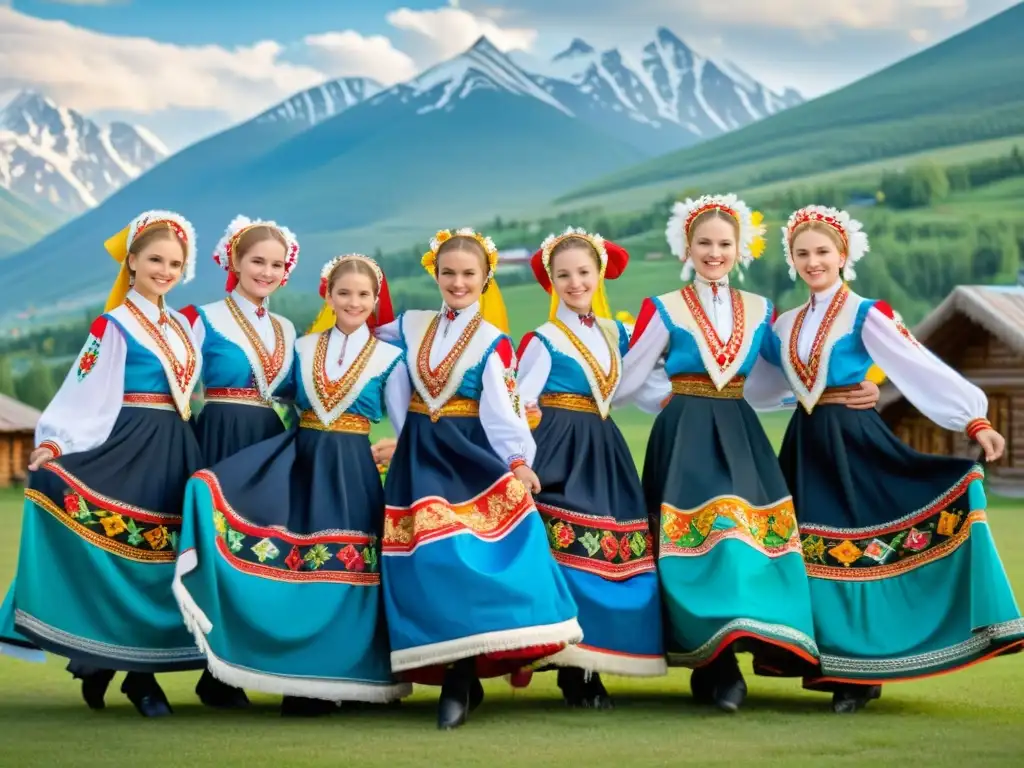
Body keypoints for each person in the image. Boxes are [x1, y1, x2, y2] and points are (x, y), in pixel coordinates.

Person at [617, 195, 881, 713]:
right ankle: (716, 667)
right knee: (694, 547)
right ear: (686, 248)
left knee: (745, 542)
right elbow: (627, 376)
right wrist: (662, 397)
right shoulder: (663, 307)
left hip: (739, 430)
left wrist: (847, 391)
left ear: (740, 250)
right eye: (704, 243)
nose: (714, 252)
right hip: (685, 433)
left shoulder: (762, 311)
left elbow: (783, 375)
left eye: (724, 244)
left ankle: (732, 653)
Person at [771, 205, 1024, 713]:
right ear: (792, 260)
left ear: (843, 255)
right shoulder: (784, 325)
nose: (813, 261)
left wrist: (974, 419)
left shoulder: (867, 313)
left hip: (854, 443)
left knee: (857, 546)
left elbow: (918, 366)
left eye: (822, 252)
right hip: (806, 444)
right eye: (803, 253)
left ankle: (860, 675)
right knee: (812, 552)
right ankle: (831, 663)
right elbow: (769, 383)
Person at [174, 254, 412, 715]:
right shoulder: (302, 348)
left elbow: (406, 423)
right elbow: (273, 392)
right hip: (303, 463)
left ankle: (353, 680)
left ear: (376, 299)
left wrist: (398, 448)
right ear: (328, 295)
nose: (354, 301)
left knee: (352, 572)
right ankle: (304, 683)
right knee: (305, 568)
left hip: (354, 469)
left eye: (364, 295)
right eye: (344, 293)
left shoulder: (392, 359)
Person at [0, 211, 205, 717]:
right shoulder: (112, 325)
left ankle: (105, 665)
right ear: (131, 262)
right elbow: (84, 390)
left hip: (178, 445)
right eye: (155, 259)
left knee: (166, 561)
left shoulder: (182, 324)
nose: (164, 270)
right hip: (130, 442)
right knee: (129, 556)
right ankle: (138, 679)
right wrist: (55, 444)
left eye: (175, 263)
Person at [376, 228, 582, 730]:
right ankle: (449, 670)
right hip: (420, 455)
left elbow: (503, 407)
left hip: (468, 456)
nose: (458, 282)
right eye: (448, 273)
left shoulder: (494, 342)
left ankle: (462, 678)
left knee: (463, 557)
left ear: (486, 279)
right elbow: (364, 342)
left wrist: (518, 460)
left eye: (469, 274)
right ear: (436, 274)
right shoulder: (410, 325)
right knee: (424, 559)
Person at [516, 228, 667, 708]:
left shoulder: (617, 334)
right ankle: (570, 666)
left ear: (598, 275)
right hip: (558, 446)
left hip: (604, 447)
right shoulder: (542, 339)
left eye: (583, 273)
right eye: (564, 275)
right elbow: (519, 398)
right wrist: (521, 449)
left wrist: (695, 400)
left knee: (612, 553)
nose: (575, 283)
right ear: (552, 282)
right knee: (568, 551)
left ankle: (594, 658)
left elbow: (642, 389)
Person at [183, 215, 300, 463]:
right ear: (236, 260)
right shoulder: (202, 318)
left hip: (270, 438)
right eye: (258, 261)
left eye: (277, 265)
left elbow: (298, 394)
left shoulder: (286, 328)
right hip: (220, 435)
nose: (267, 273)